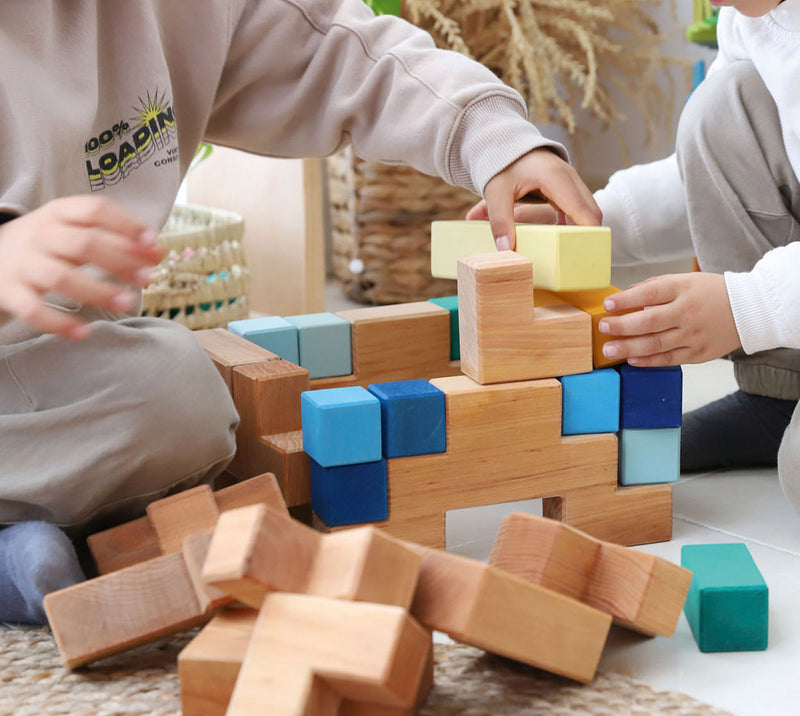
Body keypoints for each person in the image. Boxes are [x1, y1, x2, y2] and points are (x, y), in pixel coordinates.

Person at [0, 0, 600, 624]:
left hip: (58, 371)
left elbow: (335, 50)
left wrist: (494, 139)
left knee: (178, 401)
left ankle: (29, 535)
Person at [470, 0, 800, 514]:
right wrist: (589, 219)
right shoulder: (749, 19)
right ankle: (779, 395)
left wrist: (750, 306)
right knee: (722, 106)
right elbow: (708, 166)